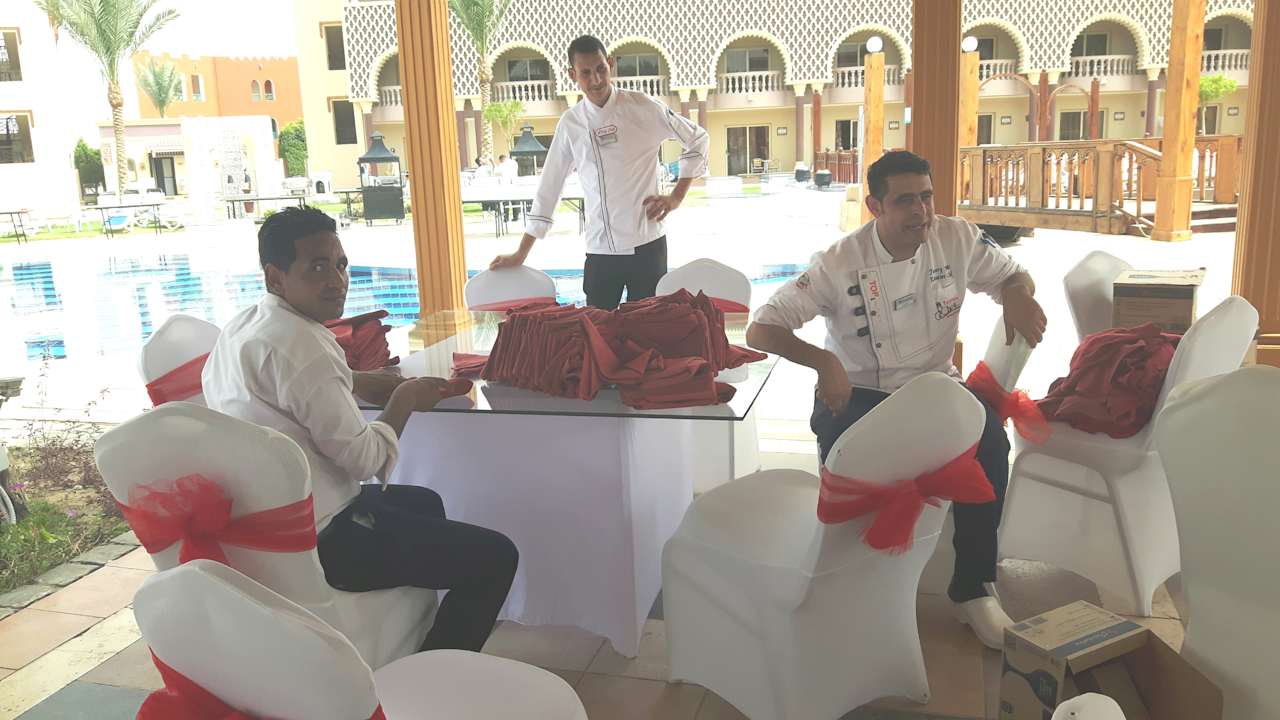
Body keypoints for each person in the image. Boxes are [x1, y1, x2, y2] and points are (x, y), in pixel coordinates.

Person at [745, 151, 1048, 650]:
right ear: (875, 206)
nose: (920, 211)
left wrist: (1016, 293)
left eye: (926, 196)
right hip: (861, 391)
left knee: (992, 446)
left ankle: (972, 586)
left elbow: (1013, 274)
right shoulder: (838, 262)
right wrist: (824, 363)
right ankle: (844, 579)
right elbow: (762, 329)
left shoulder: (957, 238)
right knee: (850, 460)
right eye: (905, 200)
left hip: (937, 383)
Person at [202, 206, 518, 653]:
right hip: (323, 539)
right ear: (276, 277)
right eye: (317, 267)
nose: (337, 281)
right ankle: (438, 670)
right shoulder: (306, 344)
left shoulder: (243, 327)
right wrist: (404, 399)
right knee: (496, 556)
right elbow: (365, 460)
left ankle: (411, 631)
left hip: (265, 519)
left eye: (341, 264)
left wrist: (354, 379)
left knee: (424, 501)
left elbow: (283, 387)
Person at [490, 34, 710, 310]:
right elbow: (549, 188)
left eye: (600, 69)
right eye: (585, 73)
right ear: (573, 75)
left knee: (649, 328)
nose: (595, 80)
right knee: (596, 329)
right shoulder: (571, 124)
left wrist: (676, 197)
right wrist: (521, 253)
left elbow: (698, 138)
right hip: (600, 250)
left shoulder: (642, 106)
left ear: (611, 64)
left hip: (647, 244)